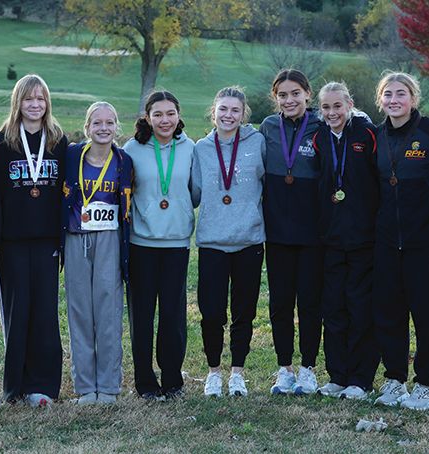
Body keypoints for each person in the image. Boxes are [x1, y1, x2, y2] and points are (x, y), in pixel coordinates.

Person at [371, 72, 429, 411]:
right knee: (389, 313)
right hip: (387, 242)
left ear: (413, 98)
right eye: (388, 94)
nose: (394, 100)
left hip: (425, 243)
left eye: (401, 93)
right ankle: (395, 379)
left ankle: (427, 385)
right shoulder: (375, 136)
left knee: (427, 316)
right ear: (380, 100)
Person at [0, 74, 67, 407]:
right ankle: (15, 388)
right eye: (28, 99)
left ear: (47, 103)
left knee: (45, 314)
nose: (35, 104)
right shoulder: (1, 142)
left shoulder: (58, 140)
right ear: (17, 102)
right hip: (11, 242)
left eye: (40, 98)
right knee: (17, 313)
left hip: (48, 241)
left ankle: (44, 386)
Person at [192, 87, 266, 397]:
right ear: (214, 112)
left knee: (244, 312)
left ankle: (237, 373)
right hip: (213, 241)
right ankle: (213, 372)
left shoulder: (257, 142)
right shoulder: (200, 148)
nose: (228, 115)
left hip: (249, 240)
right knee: (211, 313)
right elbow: (193, 193)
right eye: (223, 109)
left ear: (243, 114)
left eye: (235, 110)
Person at [123, 90, 196, 400]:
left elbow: (195, 192)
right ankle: (145, 382)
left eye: (170, 114)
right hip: (141, 242)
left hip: (176, 242)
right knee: (141, 316)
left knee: (172, 315)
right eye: (158, 114)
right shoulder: (132, 149)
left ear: (178, 115)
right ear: (147, 117)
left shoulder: (190, 148)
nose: (165, 120)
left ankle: (172, 380)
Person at [312, 82, 380, 399]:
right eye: (326, 107)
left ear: (349, 104)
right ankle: (337, 375)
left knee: (360, 308)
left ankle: (361, 379)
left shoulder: (367, 134)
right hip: (331, 239)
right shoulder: (319, 137)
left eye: (337, 106)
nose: (332, 113)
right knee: (334, 309)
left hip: (364, 238)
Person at [61, 102, 132, 405]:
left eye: (109, 123)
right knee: (79, 311)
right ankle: (86, 387)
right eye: (97, 123)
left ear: (117, 127)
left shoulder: (124, 161)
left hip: (109, 239)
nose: (103, 128)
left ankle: (109, 387)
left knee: (108, 311)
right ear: (87, 127)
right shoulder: (72, 155)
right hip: (76, 236)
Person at [258, 69, 323, 395]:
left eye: (295, 93)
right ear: (276, 98)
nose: (289, 100)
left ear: (308, 94)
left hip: (312, 233)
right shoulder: (268, 127)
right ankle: (284, 369)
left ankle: (308, 368)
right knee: (280, 304)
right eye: (282, 95)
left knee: (310, 303)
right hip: (277, 232)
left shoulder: (320, 125)